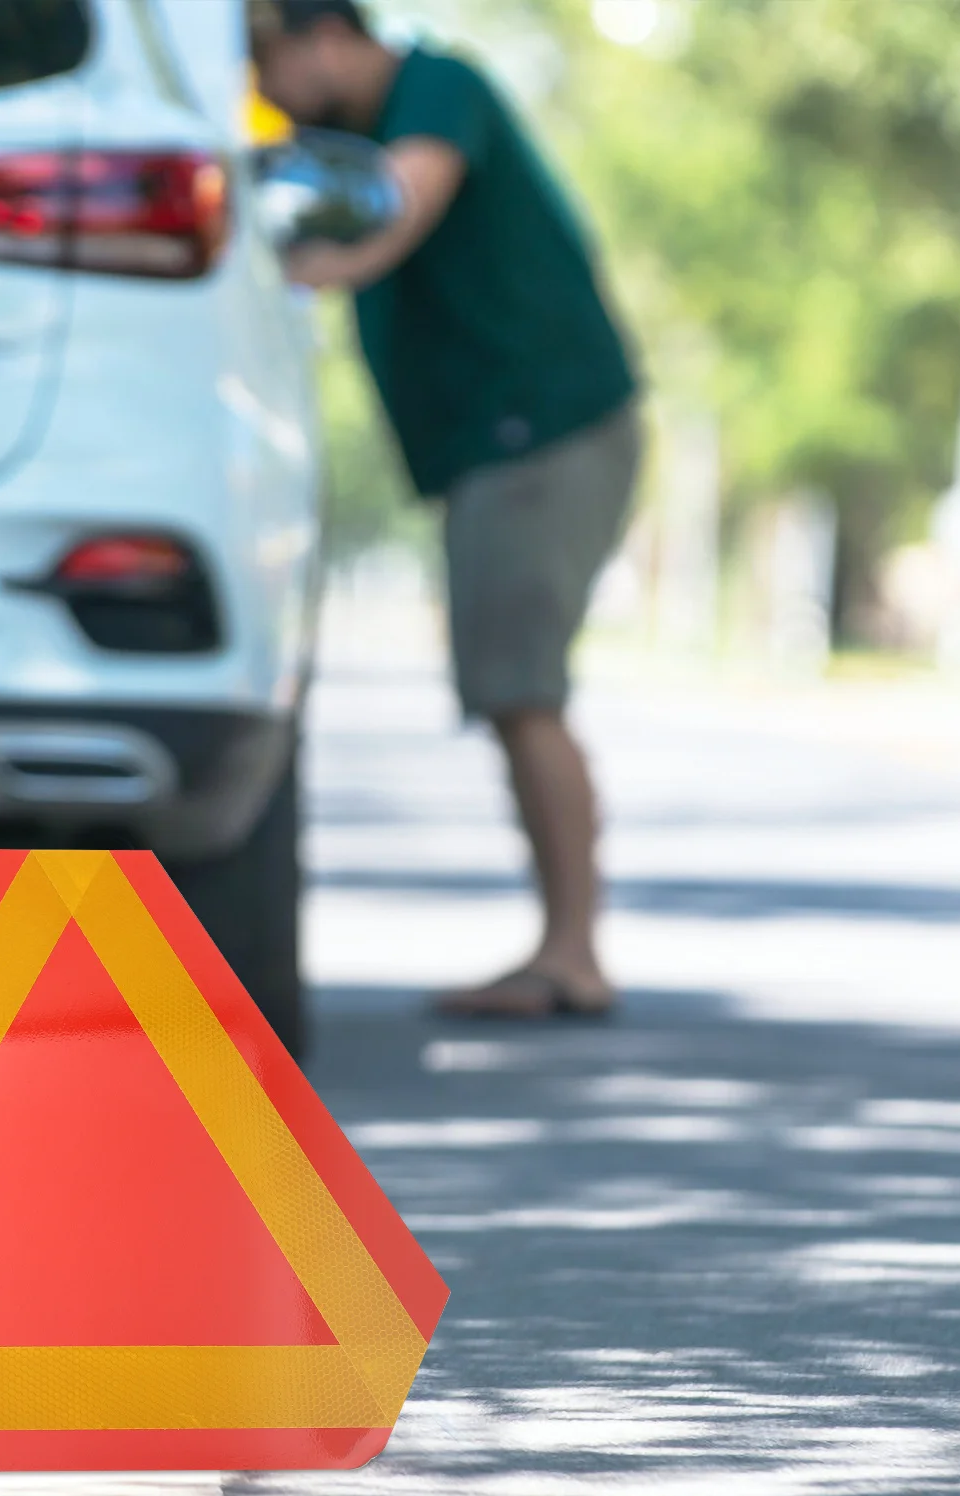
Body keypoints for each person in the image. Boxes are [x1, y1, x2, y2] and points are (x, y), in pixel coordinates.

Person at [250, 0, 643, 1018]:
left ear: (323, 33)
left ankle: (572, 955)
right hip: (501, 442)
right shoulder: (347, 135)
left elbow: (396, 207)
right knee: (512, 691)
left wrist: (269, 270)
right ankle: (563, 947)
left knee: (522, 689)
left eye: (265, 57)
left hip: (544, 427)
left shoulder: (435, 87)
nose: (264, 89)